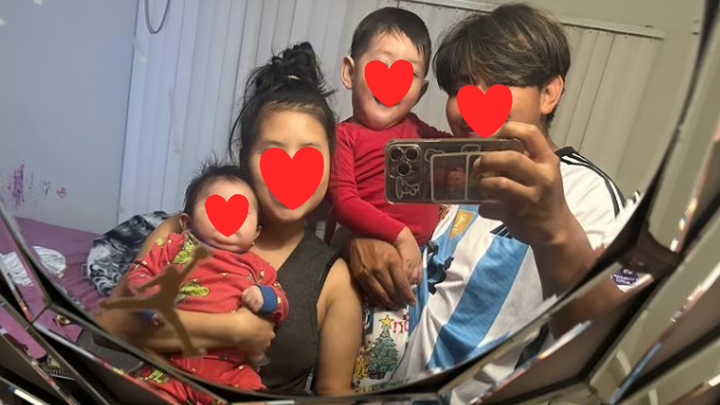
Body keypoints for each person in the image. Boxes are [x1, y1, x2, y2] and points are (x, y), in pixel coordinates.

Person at [344, 4, 628, 403]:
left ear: (549, 93)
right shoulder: (447, 171)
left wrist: (556, 233)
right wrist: (359, 240)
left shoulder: (587, 193)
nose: (469, 106)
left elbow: (602, 340)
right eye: (460, 89)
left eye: (497, 83)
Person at [96, 42, 363, 398]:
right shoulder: (180, 231)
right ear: (245, 156)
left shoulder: (335, 281)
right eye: (273, 155)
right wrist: (235, 330)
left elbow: (334, 393)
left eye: (310, 158)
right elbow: (108, 326)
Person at [329, 8, 450, 388]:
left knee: (409, 360)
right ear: (349, 72)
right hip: (365, 271)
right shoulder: (343, 137)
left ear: (421, 91)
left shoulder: (420, 132)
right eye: (381, 65)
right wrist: (399, 235)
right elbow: (344, 202)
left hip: (424, 271)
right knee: (366, 362)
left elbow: (459, 152)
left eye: (409, 74)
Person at [102, 163, 289, 404]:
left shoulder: (260, 267)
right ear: (187, 223)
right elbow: (141, 271)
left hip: (231, 373)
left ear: (256, 233)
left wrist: (264, 296)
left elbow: (281, 300)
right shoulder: (173, 246)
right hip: (169, 366)